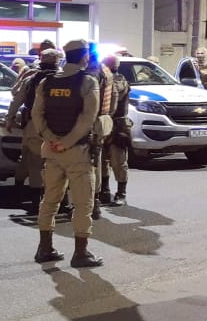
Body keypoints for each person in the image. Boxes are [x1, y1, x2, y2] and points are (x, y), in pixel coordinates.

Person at [30, 39, 103, 268]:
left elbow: (37, 115)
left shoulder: (47, 82)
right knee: (82, 203)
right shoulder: (88, 82)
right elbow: (87, 118)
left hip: (51, 151)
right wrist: (67, 142)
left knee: (50, 200)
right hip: (77, 152)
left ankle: (45, 248)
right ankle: (81, 253)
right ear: (84, 57)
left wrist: (51, 139)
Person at [8, 46, 61, 213]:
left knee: (32, 161)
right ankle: (56, 200)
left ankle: (32, 200)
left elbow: (16, 97)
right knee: (53, 163)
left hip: (33, 127)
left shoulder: (32, 78)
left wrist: (10, 119)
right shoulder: (64, 79)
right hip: (57, 127)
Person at [98, 54, 131, 207]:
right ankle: (104, 191)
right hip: (104, 123)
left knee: (118, 161)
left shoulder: (119, 80)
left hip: (117, 124)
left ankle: (121, 193)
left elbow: (115, 95)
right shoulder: (103, 79)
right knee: (102, 159)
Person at [87, 47, 116, 220]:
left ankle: (90, 203)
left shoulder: (90, 74)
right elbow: (113, 99)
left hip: (89, 123)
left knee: (88, 164)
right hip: (101, 122)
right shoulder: (107, 72)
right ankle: (95, 201)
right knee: (96, 162)